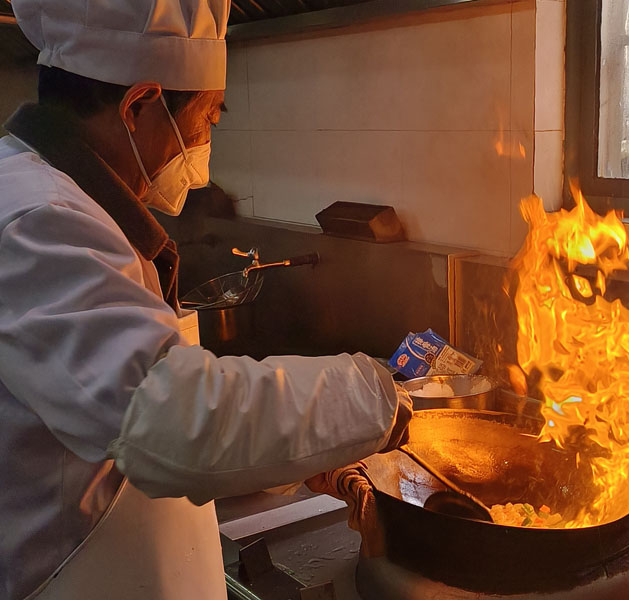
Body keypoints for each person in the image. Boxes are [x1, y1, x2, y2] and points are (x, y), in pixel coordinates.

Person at [0, 1, 411, 599]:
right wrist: (375, 397)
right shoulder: (37, 218)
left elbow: (117, 440)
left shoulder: (64, 202)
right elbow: (163, 415)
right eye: (207, 120)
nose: (201, 153)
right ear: (139, 107)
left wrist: (294, 457)